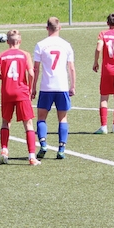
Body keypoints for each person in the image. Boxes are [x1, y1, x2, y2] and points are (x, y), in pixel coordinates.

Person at [0, 30, 40, 165]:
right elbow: (31, 73)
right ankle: (32, 156)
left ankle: (4, 150)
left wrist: (5, 78)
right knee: (28, 124)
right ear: (20, 41)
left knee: (5, 122)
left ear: (7, 42)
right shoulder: (25, 54)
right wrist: (30, 87)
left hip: (7, 92)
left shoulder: (2, 55)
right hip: (21, 92)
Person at [32, 17, 77, 159]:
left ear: (47, 28)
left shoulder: (40, 45)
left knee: (41, 118)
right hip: (62, 86)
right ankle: (61, 149)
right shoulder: (66, 45)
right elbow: (71, 68)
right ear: (60, 28)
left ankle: (43, 144)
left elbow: (35, 69)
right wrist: (72, 86)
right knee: (62, 118)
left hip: (46, 87)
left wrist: (33, 87)